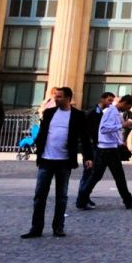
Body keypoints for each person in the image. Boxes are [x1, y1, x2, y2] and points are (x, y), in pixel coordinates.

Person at [25, 87, 92, 239]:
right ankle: (36, 228)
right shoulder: (49, 113)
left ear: (68, 98)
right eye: (56, 96)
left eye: (60, 97)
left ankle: (58, 227)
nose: (56, 99)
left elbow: (85, 138)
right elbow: (43, 134)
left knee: (61, 196)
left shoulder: (78, 115)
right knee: (39, 195)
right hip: (46, 160)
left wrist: (88, 157)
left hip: (64, 161)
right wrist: (38, 151)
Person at [76, 92, 132, 210]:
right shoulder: (111, 112)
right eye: (128, 107)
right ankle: (128, 200)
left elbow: (112, 130)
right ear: (124, 103)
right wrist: (122, 126)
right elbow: (104, 128)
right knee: (117, 176)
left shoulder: (115, 113)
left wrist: (120, 141)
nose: (128, 109)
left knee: (97, 175)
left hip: (108, 148)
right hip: (108, 149)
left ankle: (81, 200)